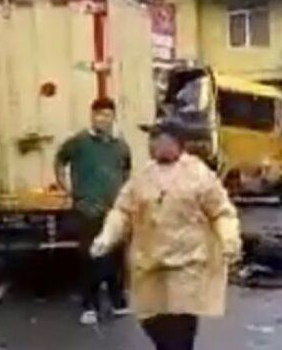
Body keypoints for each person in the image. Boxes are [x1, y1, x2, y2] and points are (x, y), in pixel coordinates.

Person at [89, 119, 241, 350]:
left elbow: (221, 212)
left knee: (179, 332)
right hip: (150, 266)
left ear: (177, 143)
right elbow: (122, 210)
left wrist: (229, 240)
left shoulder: (198, 175)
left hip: (186, 267)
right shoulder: (143, 176)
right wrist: (107, 237)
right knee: (154, 324)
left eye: (160, 139)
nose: (154, 144)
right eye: (152, 139)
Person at [54, 97, 132, 325]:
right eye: (98, 115)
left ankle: (118, 302)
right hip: (87, 209)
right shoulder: (79, 142)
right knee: (91, 258)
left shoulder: (120, 146)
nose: (102, 119)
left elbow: (126, 170)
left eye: (107, 115)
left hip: (114, 211)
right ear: (92, 116)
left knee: (115, 257)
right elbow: (60, 161)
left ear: (113, 118)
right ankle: (89, 306)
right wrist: (66, 187)